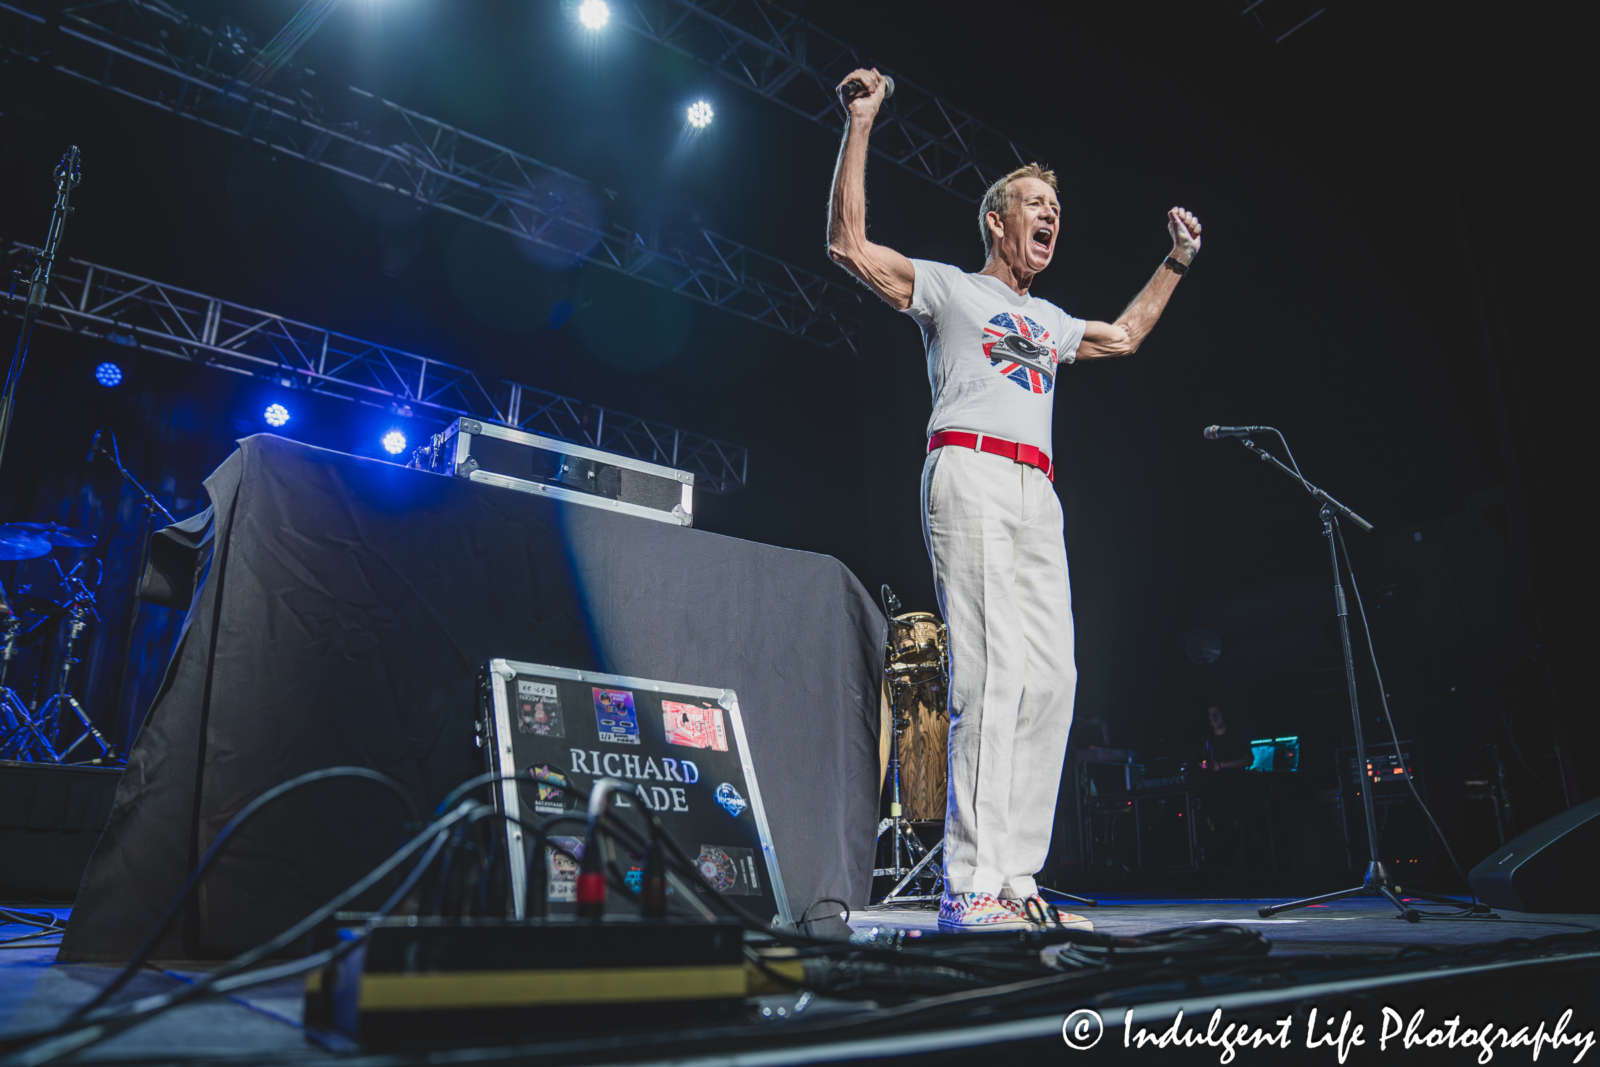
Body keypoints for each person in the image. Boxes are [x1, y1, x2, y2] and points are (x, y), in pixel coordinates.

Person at [826, 68, 1202, 932]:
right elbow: (849, 245)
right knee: (991, 676)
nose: (1050, 217)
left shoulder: (1054, 318)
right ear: (996, 219)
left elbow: (1128, 334)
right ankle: (971, 879)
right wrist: (862, 123)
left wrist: (1175, 260)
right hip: (967, 469)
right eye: (1034, 204)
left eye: (1056, 211)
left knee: (1054, 679)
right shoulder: (953, 290)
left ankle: (1017, 873)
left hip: (1039, 489)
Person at [1203, 704, 1252, 771]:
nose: (1213, 716)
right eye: (1210, 714)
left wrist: (1221, 765)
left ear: (1224, 714)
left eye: (1216, 712)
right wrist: (1205, 765)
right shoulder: (1208, 739)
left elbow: (1248, 760)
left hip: (1235, 780)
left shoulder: (1236, 736)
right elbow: (1202, 762)